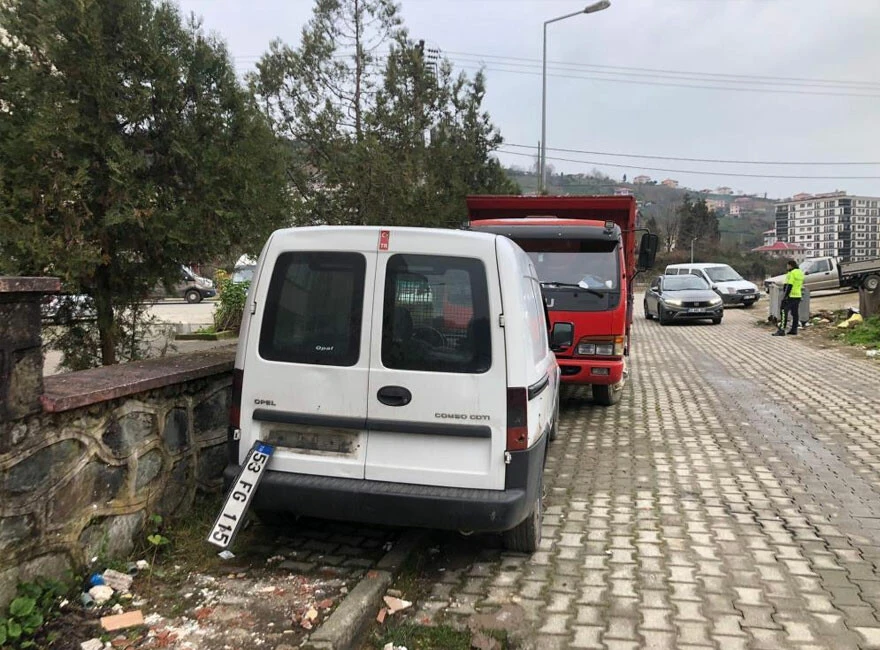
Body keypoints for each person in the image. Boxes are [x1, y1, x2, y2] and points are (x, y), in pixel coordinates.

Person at [773, 259, 805, 336]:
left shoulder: (791, 273)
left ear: (790, 265)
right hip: (798, 295)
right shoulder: (800, 273)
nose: (787, 267)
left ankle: (782, 329)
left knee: (783, 311)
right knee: (795, 313)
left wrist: (785, 296)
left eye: (787, 265)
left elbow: (789, 285)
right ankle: (794, 330)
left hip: (791, 295)